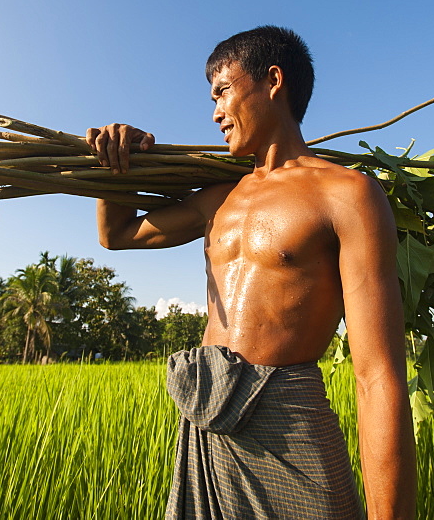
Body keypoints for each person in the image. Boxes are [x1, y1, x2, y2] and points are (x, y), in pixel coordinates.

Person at [86, 26, 416, 519]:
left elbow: (377, 377)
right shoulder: (220, 198)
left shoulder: (347, 195)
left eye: (223, 91)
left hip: (286, 422)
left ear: (273, 80)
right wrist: (115, 165)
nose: (215, 111)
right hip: (205, 417)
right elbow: (117, 235)